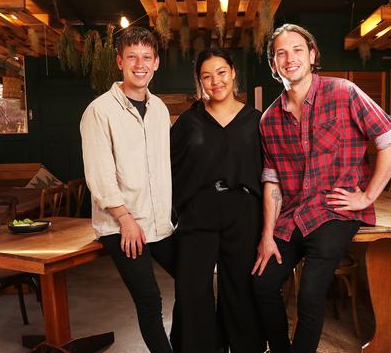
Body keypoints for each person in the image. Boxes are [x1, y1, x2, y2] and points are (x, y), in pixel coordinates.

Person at [252, 23, 391, 353]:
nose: (289, 58)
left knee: (310, 292)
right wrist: (268, 236)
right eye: (281, 53)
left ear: (312, 56)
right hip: (293, 213)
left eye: (297, 50)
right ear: (273, 64)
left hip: (335, 210)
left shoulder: (343, 92)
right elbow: (272, 180)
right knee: (263, 282)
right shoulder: (269, 119)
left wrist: (367, 196)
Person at [80, 27, 179, 353]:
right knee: (150, 299)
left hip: (159, 223)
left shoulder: (160, 109)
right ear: (120, 61)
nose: (140, 64)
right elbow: (99, 174)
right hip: (122, 224)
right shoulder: (99, 111)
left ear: (156, 63)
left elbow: (166, 166)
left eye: (146, 57)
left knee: (192, 280)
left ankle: (184, 342)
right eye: (132, 57)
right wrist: (124, 218)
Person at [170, 48, 265, 353]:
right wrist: (178, 209)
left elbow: (270, 171)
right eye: (206, 76)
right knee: (192, 288)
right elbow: (168, 166)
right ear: (200, 82)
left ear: (233, 73)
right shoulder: (188, 122)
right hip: (199, 211)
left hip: (244, 210)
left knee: (240, 287)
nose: (216, 81)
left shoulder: (255, 120)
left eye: (221, 72)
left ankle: (243, 347)